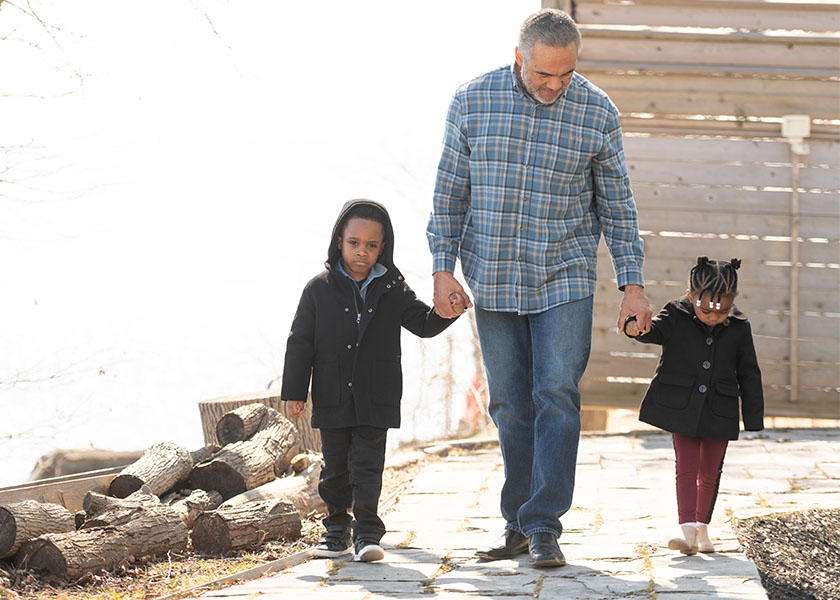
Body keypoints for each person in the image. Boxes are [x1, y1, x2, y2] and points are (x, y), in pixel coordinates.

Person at [427, 8, 652, 568]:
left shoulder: (597, 111)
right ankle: (517, 524)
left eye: (566, 74)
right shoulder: (472, 101)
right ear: (519, 57)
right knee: (509, 403)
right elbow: (450, 193)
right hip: (494, 274)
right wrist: (441, 267)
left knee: (557, 393)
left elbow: (617, 205)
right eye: (543, 75)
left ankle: (544, 524)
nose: (555, 85)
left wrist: (633, 283)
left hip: (565, 273)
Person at [281, 199, 463, 562]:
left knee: (367, 467)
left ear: (383, 247)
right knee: (335, 468)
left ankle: (367, 534)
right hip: (332, 394)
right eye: (354, 243)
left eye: (371, 245)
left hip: (376, 395)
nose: (361, 252)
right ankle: (335, 533)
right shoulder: (318, 289)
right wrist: (294, 392)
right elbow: (299, 341)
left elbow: (423, 324)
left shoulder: (392, 287)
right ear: (339, 241)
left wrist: (447, 313)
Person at [625, 257, 764, 555]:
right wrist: (634, 327)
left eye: (723, 311)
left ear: (733, 301)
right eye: (705, 310)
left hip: (720, 409)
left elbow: (749, 371)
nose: (713, 317)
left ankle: (702, 529)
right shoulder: (676, 313)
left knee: (711, 471)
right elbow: (654, 332)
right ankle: (687, 530)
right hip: (682, 407)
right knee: (687, 467)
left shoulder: (740, 326)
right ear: (690, 296)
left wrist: (753, 417)